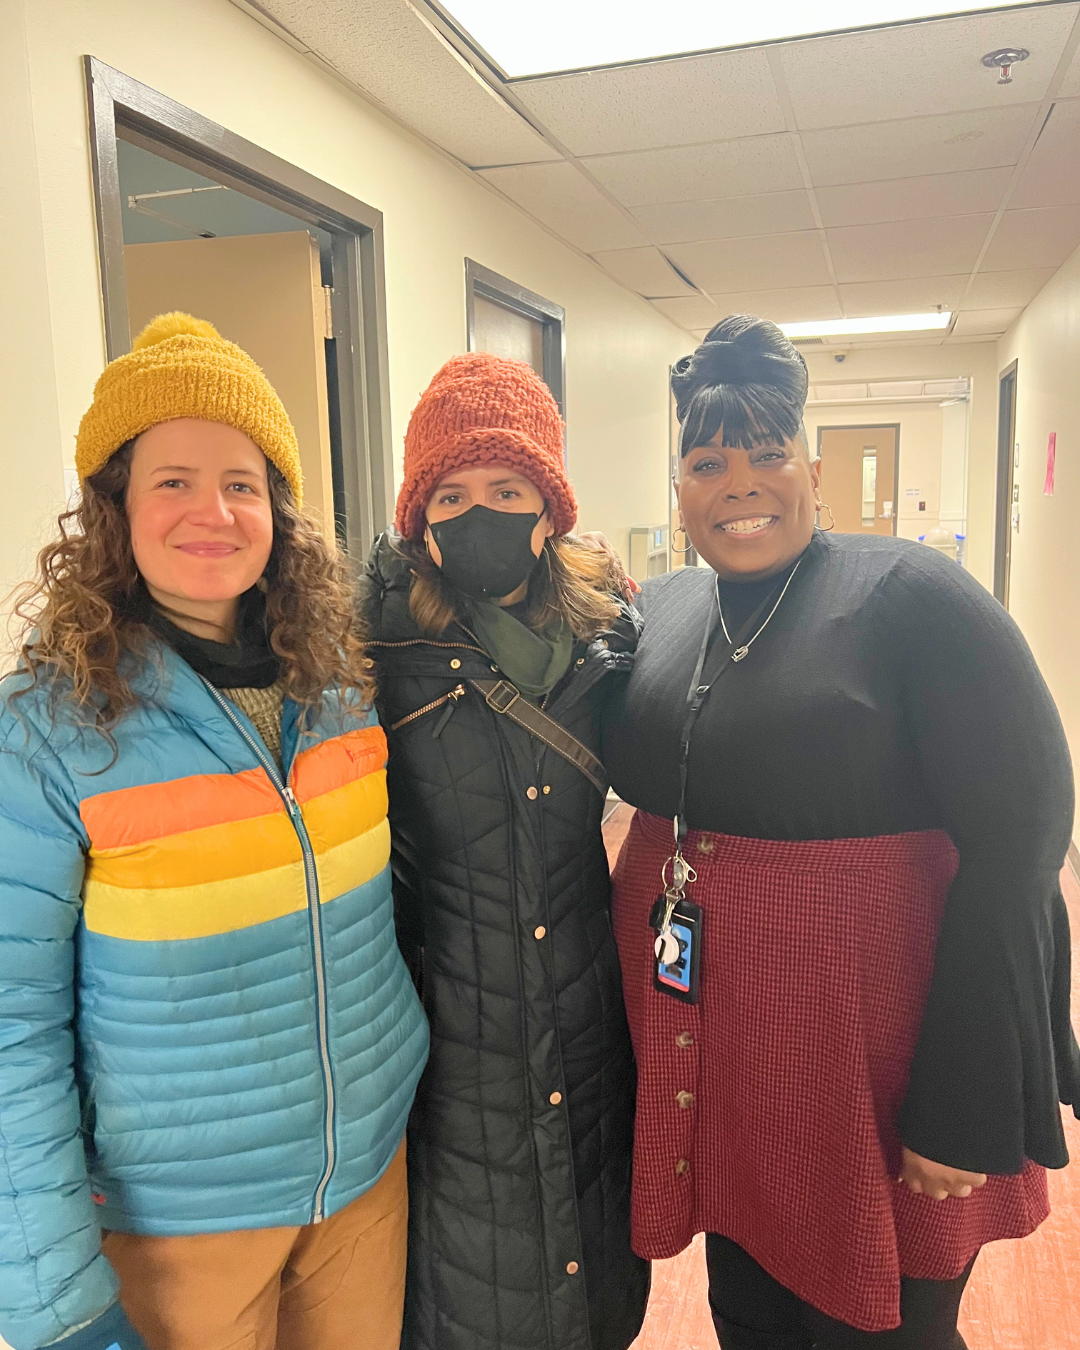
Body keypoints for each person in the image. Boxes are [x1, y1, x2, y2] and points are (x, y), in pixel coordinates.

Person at [602, 314, 1080, 1349]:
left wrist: (965, 1102)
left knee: (882, 1329)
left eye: (768, 454)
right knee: (751, 1309)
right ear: (678, 485)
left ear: (812, 469)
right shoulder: (670, 606)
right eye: (707, 460)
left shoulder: (912, 597)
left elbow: (1021, 841)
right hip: (728, 1061)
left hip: (878, 1069)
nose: (739, 482)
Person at [0, 313, 428, 1350]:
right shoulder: (50, 730)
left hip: (363, 1186)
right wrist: (57, 1303)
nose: (213, 513)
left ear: (277, 509)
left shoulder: (336, 689)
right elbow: (11, 1028)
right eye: (173, 481)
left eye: (241, 483)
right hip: (176, 1231)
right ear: (115, 510)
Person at [363, 352, 649, 1350]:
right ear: (419, 514)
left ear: (549, 507)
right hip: (452, 1031)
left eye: (506, 487)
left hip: (587, 1016)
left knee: (597, 1277)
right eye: (451, 492)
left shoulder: (609, 633)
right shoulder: (375, 649)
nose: (478, 511)